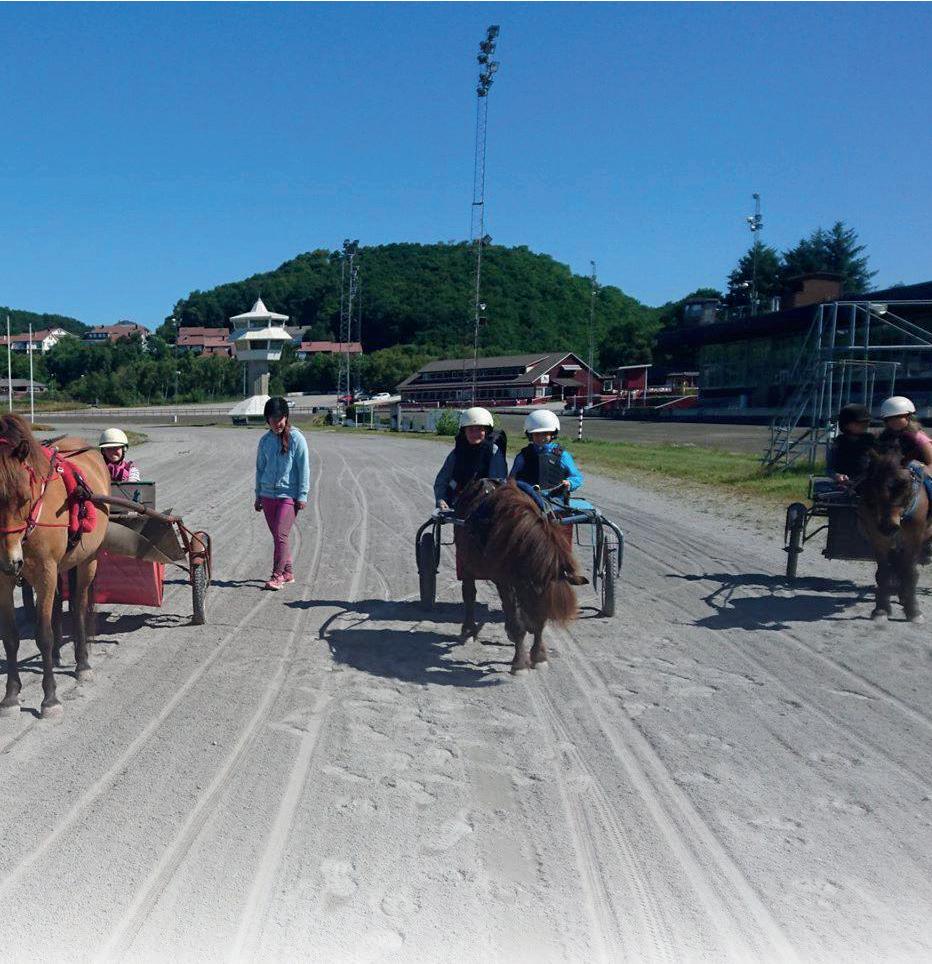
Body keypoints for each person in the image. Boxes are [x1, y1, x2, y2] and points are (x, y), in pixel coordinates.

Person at [254, 396, 310, 591]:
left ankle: (277, 576)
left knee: (280, 535)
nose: (277, 423)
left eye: (280, 418)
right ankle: (288, 572)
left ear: (286, 417)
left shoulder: (296, 438)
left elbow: (304, 469)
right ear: (267, 419)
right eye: (273, 419)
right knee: (279, 537)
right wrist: (258, 495)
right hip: (268, 495)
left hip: (288, 496)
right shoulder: (265, 441)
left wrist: (302, 495)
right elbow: (260, 469)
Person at [433, 407, 507, 510]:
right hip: (458, 504)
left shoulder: (493, 452)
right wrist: (441, 499)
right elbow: (442, 480)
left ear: (486, 431)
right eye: (470, 429)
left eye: (479, 429)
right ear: (464, 431)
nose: (475, 433)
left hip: (485, 507)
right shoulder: (457, 452)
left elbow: (498, 484)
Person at [509, 409, 584, 495]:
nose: (541, 437)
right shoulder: (523, 456)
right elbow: (512, 478)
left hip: (555, 498)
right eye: (536, 434)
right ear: (530, 435)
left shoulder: (562, 455)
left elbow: (576, 476)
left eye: (545, 433)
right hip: (527, 496)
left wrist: (570, 483)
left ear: (552, 434)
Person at [827, 403, 875, 484]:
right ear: (846, 425)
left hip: (868, 482)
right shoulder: (839, 443)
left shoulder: (871, 441)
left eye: (866, 422)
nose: (864, 425)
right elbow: (830, 468)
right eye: (858, 423)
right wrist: (836, 475)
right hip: (846, 482)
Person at [877, 396, 932, 466]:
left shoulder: (918, 438)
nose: (892, 421)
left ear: (908, 417)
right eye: (888, 419)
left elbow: (931, 462)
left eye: (897, 417)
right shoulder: (884, 437)